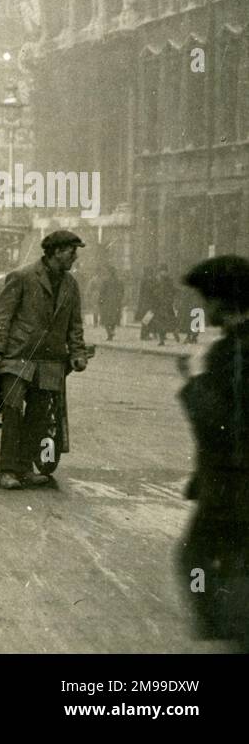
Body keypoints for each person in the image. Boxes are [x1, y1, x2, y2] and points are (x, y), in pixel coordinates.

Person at [176, 255, 249, 651]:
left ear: (225, 301)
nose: (205, 309)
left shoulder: (232, 353)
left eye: (208, 299)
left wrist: (193, 383)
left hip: (233, 484)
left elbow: (224, 424)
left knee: (196, 559)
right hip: (230, 481)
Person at [0, 230, 90, 490]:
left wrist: (77, 353)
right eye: (71, 251)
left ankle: (25, 468)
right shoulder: (22, 277)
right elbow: (2, 316)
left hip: (50, 361)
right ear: (55, 252)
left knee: (39, 416)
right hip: (18, 356)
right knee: (12, 411)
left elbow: (75, 323)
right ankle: (7, 471)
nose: (75, 257)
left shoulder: (70, 285)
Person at [98, 265, 124, 341]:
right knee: (114, 319)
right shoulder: (119, 281)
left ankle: (109, 333)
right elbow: (122, 291)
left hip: (107, 302)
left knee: (106, 319)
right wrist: (119, 299)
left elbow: (102, 292)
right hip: (116, 303)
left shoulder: (105, 281)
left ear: (109, 272)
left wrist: (100, 300)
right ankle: (111, 332)